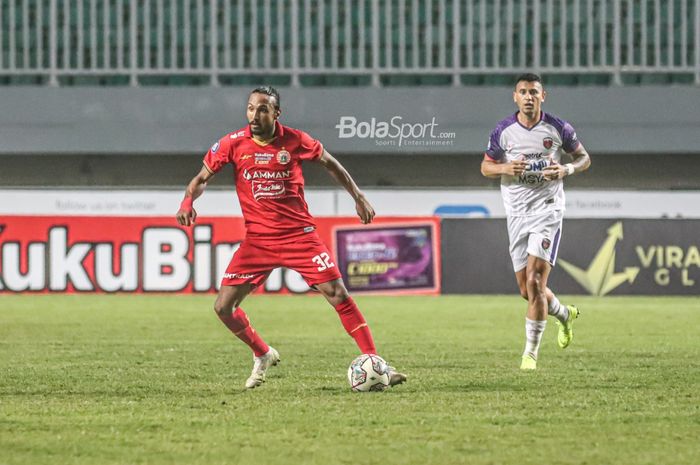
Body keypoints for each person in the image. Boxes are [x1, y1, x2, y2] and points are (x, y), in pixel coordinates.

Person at [176, 86, 406, 389]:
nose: (254, 115)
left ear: (276, 113)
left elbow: (331, 164)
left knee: (338, 294)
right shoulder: (231, 144)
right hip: (258, 241)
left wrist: (358, 196)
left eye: (262, 109)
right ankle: (262, 353)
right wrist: (187, 202)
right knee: (222, 308)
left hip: (300, 237)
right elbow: (201, 178)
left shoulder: (295, 141)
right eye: (250, 108)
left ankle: (376, 363)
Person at [480, 73, 591, 370]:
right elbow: (485, 167)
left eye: (534, 92)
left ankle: (530, 354)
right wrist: (505, 166)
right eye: (523, 92)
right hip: (516, 212)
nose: (529, 97)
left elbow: (584, 158)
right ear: (515, 97)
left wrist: (566, 170)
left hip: (547, 209)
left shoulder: (558, 128)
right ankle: (564, 315)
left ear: (543, 96)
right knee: (527, 291)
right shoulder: (503, 131)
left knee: (536, 281)